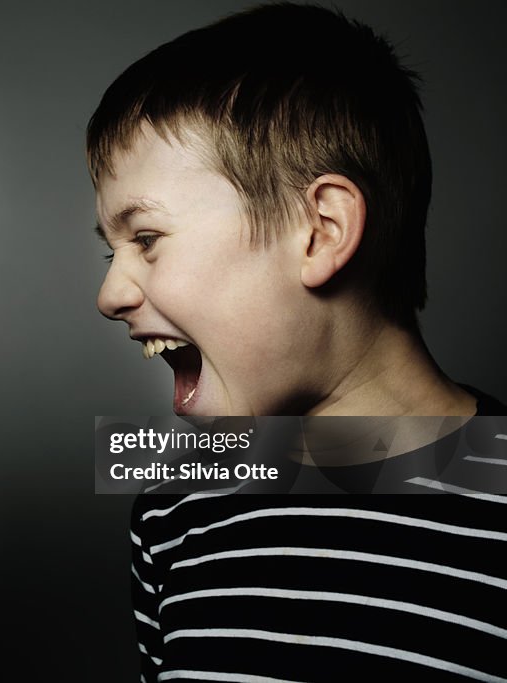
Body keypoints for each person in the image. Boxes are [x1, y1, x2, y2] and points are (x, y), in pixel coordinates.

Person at [86, 4, 507, 680]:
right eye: (111, 253)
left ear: (321, 230)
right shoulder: (173, 499)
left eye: (146, 239)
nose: (110, 294)